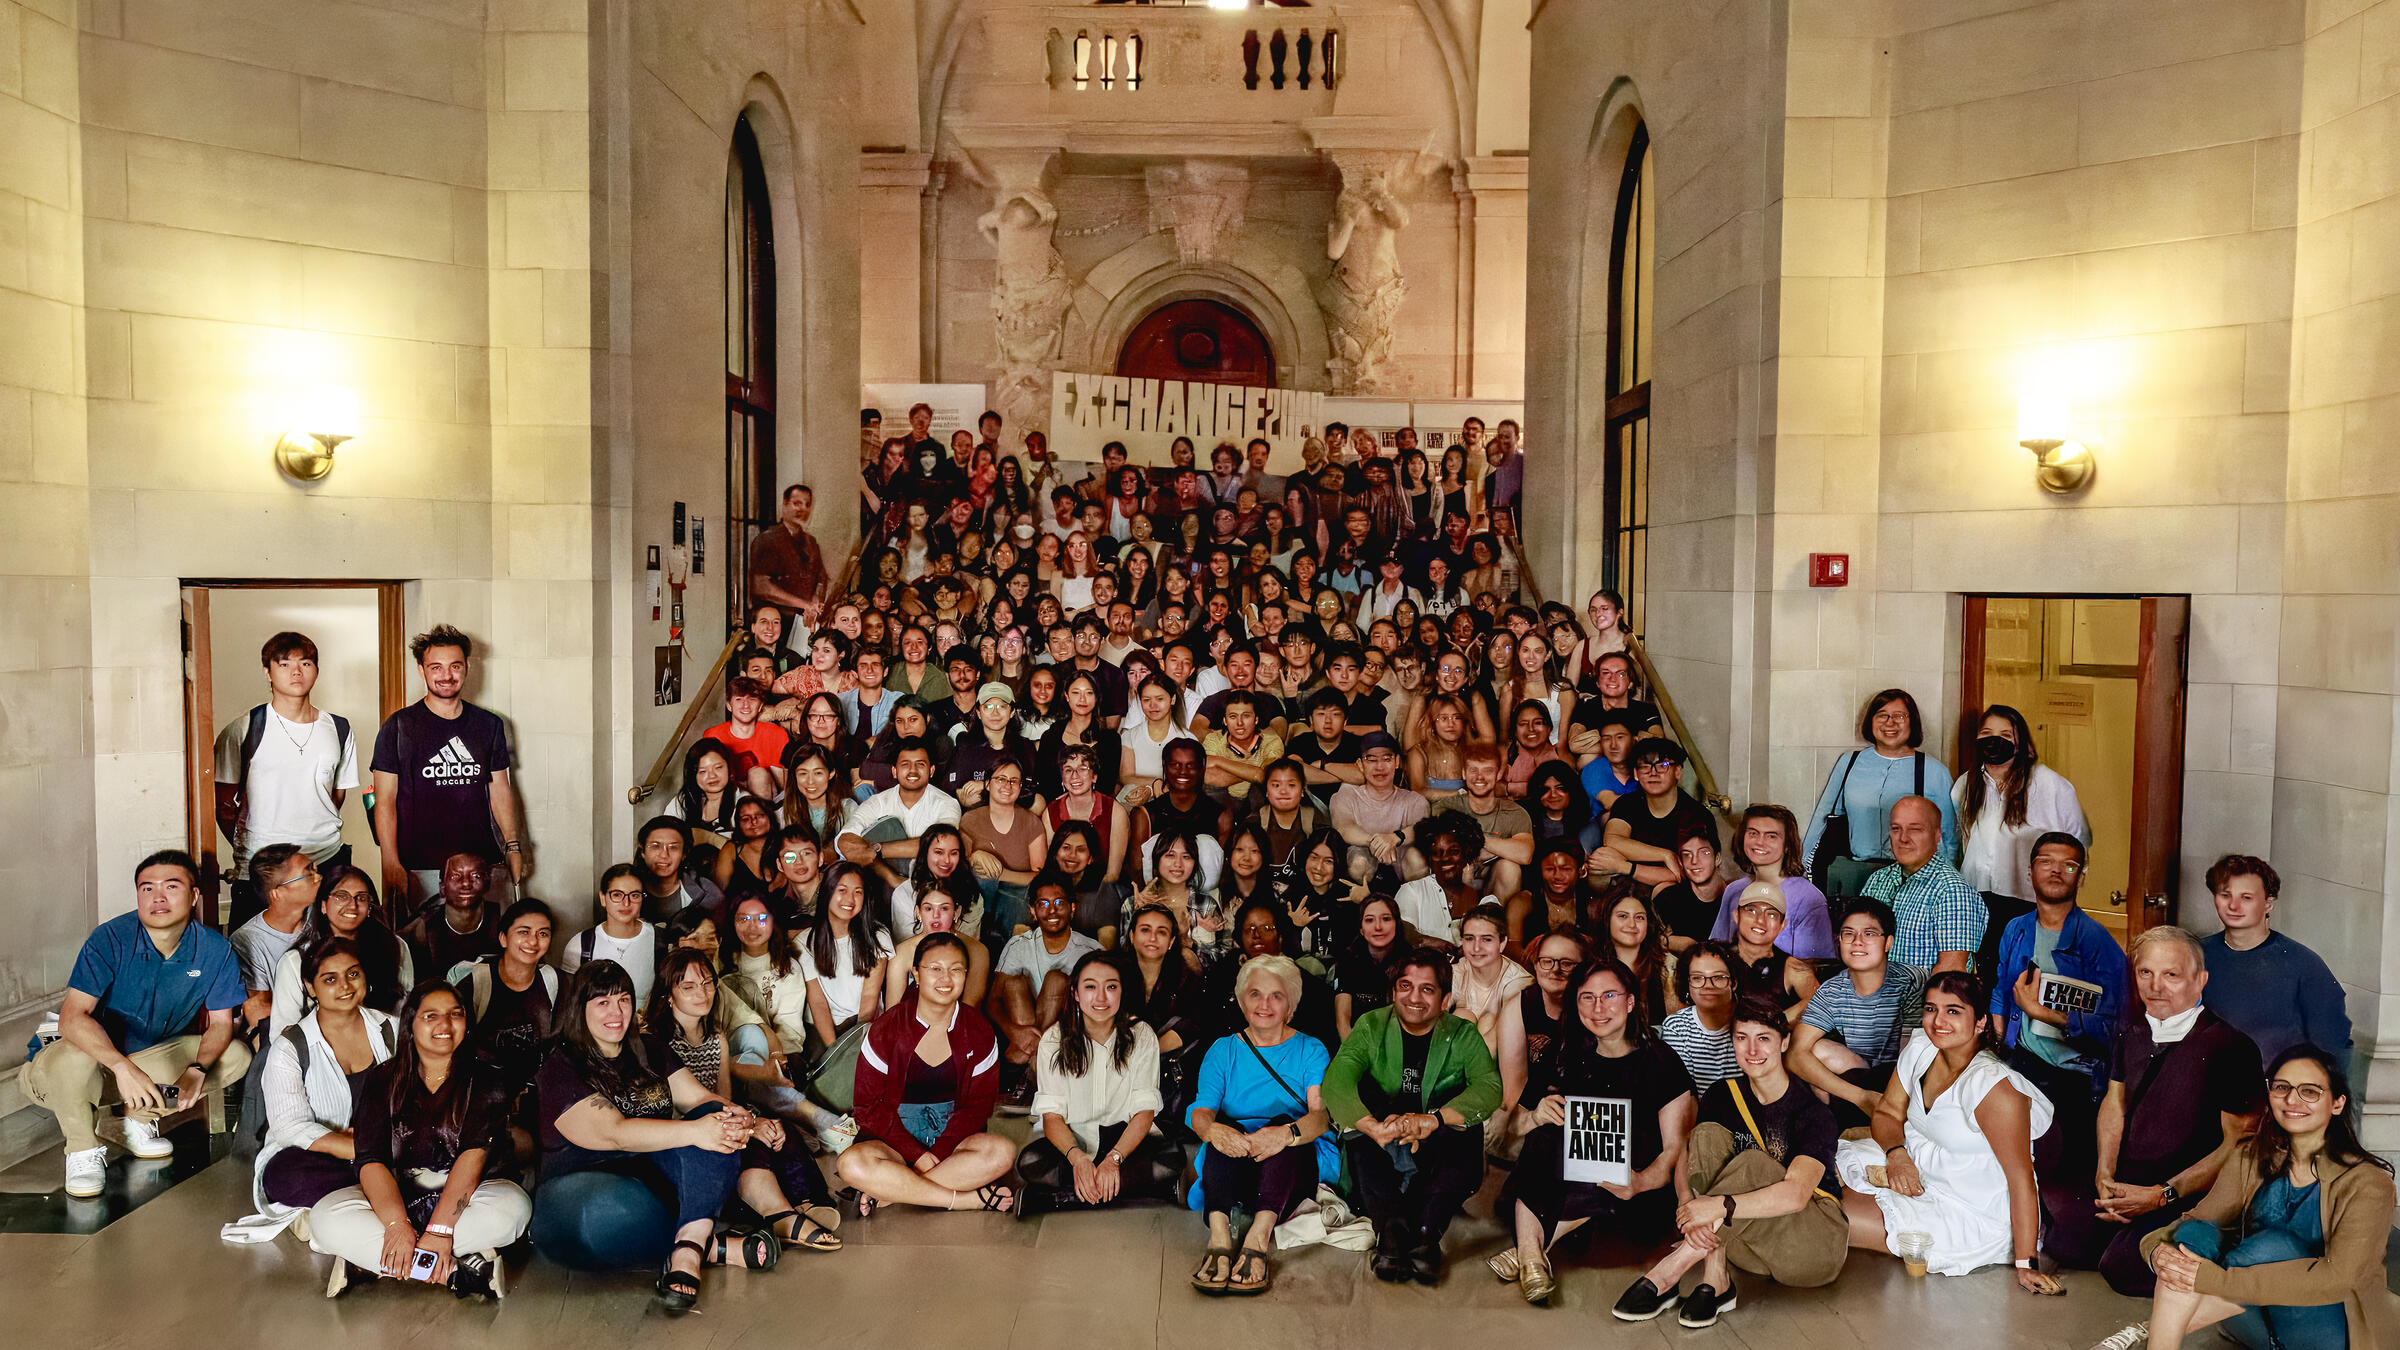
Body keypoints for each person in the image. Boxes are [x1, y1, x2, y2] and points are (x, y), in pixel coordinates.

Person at [2099, 1045, 2397, 1350]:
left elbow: (2339, 1278)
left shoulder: (2369, 1183)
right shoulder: (2251, 1159)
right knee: (2192, 1236)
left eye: (2309, 1091)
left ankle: (2153, 1336)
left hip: (2329, 1332)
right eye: (2282, 1088)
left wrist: (2212, 1280)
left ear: (2337, 1103)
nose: (2292, 1100)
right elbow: (2193, 1222)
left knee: (2272, 1245)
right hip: (2255, 1326)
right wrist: (2156, 1253)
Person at [533, 962, 789, 1310]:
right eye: (602, 1003)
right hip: (581, 1192)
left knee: (717, 1121)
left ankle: (687, 1251)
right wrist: (698, 1130)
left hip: (653, 1177)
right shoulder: (560, 1066)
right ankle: (711, 1244)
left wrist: (742, 1117)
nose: (616, 1013)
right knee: (602, 1219)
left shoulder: (649, 1048)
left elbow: (698, 1098)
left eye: (623, 1000)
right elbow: (616, 1134)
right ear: (579, 1010)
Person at [2045, 926, 2263, 1297]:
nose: (2156, 986)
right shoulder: (2131, 1031)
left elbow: (2237, 1150)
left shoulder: (2231, 1046)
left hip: (2186, 1193)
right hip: (2131, 1181)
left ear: (2200, 980)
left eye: (2171, 975)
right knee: (2064, 1243)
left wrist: (2160, 1195)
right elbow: (2114, 1104)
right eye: (2146, 972)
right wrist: (2105, 1174)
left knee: (2122, 1268)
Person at [1610, 996, 1848, 1327]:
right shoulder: (1723, 1094)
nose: (1751, 1050)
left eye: (1763, 1038)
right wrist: (1688, 1206)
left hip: (1810, 1249)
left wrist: (1716, 1205)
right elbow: (1690, 1156)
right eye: (1741, 1038)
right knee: (1705, 1134)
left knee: (1753, 1163)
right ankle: (1715, 1279)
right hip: (1747, 1247)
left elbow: (1795, 1195)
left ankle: (1670, 1270)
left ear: (1785, 1042)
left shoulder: (1812, 1112)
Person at [26, 850, 251, 1197]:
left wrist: (197, 1068)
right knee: (75, 1055)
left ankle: (135, 1121)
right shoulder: (110, 938)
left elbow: (221, 1024)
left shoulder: (213, 949)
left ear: (193, 896)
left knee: (235, 1055)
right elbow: (72, 1019)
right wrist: (120, 1067)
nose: (158, 897)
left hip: (141, 1069)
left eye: (171, 886)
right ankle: (83, 1150)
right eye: (147, 888)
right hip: (70, 1071)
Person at [1835, 971, 2057, 1291]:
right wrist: (1897, 1156)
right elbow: (1886, 1112)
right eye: (1930, 1008)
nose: (1938, 1020)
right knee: (1822, 1172)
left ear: (1980, 1022)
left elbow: (2022, 1180)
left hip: (1970, 1210)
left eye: (1953, 1011)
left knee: (1839, 1215)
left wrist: (2026, 1264)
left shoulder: (1994, 1089)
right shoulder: (1922, 1045)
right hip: (1920, 1166)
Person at [1496, 956, 1697, 1304]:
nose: (1597, 1007)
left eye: (1609, 996)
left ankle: (1529, 1248)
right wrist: (1538, 1113)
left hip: (1633, 1191)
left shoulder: (1661, 1059)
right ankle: (1531, 1258)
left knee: (1627, 1149)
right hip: (1574, 1181)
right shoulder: (1571, 1054)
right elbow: (1523, 1124)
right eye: (1587, 997)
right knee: (1545, 1135)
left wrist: (1640, 1182)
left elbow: (1675, 1149)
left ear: (1631, 1002)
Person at [311, 981, 529, 1300]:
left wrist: (440, 1230)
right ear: (411, 1025)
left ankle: (370, 1264)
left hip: (470, 1200)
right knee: (324, 1218)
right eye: (430, 1016)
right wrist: (398, 1224)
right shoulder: (383, 1079)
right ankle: (460, 1272)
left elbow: (473, 1155)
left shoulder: (488, 1077)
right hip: (398, 1202)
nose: (445, 1025)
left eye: (455, 1014)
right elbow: (370, 1159)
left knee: (514, 1208)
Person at [1323, 947, 1503, 1284]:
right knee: (1358, 1119)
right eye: (1405, 986)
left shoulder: (1463, 1035)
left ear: (1446, 999)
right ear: (1393, 992)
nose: (1414, 997)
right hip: (1384, 1139)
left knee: (1466, 1125)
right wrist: (1372, 1127)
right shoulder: (1371, 1025)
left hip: (1437, 1142)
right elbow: (1337, 1081)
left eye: (1427, 989)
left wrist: (1432, 1120)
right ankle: (1390, 1233)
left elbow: (1490, 1088)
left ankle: (1425, 1237)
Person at [645, 947, 841, 1253]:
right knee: (748, 1139)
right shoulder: (657, 1043)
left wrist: (754, 1122)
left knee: (781, 1131)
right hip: (686, 1130)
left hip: (723, 1113)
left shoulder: (717, 1038)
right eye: (689, 987)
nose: (702, 993)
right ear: (668, 994)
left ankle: (807, 1202)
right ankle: (783, 1213)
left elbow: (725, 1097)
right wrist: (747, 1128)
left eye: (708, 983)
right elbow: (673, 1110)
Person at [1988, 832, 2128, 1215]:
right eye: (2046, 861)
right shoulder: (2017, 928)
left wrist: (2043, 1014)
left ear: (2081, 876)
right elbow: (2002, 992)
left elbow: (2116, 1028)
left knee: (2060, 1187)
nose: (2056, 871)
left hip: (2074, 1079)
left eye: (2068, 865)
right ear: (2030, 869)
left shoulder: (2099, 944)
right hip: (2021, 1065)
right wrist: (2001, 1051)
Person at [1186, 954, 1338, 1296]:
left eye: (1276, 996)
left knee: (1284, 1123)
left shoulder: (1311, 1049)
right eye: (1255, 994)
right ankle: (1220, 1236)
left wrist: (1285, 1134)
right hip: (1236, 1164)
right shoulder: (1222, 1050)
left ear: (1291, 1005)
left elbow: (1319, 1117)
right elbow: (1200, 1111)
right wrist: (1213, 1130)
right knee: (1223, 1126)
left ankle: (1257, 1238)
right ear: (1241, 1001)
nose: (1264, 1004)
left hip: (1292, 1166)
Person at [836, 933, 1018, 1215]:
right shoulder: (887, 1029)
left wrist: (939, 1151)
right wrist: (916, 1155)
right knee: (851, 1163)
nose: (946, 978)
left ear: (966, 975)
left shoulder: (979, 1030)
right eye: (935, 969)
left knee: (1002, 1152)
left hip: (954, 1141)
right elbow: (867, 1108)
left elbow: (979, 1107)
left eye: (956, 969)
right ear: (916, 974)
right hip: (894, 1142)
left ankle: (892, 1195)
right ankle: (965, 1200)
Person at [234, 940, 401, 1242]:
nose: (345, 986)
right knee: (286, 1175)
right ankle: (388, 1194)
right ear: (311, 988)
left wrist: (377, 1143)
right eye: (330, 979)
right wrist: (356, 1148)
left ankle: (347, 1208)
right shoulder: (289, 1047)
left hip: (384, 1147)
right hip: (328, 1155)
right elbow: (289, 1127)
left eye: (353, 974)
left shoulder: (392, 1029)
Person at [371, 625, 527, 905]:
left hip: (481, 864)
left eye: (454, 666)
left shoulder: (489, 725)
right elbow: (384, 801)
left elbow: (500, 790)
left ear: (467, 667)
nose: (446, 675)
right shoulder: (398, 726)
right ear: (421, 670)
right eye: (436, 667)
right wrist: (390, 862)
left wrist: (513, 847)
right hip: (419, 866)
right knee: (420, 943)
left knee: (486, 944)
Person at [1016, 951, 1181, 1215]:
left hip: (1125, 1141)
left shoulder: (1141, 1035)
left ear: (1121, 992)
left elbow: (1144, 1113)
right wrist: (1078, 1159)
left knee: (1172, 1157)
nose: (1101, 997)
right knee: (1030, 1161)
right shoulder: (1054, 1040)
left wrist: (1113, 1159)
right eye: (1090, 987)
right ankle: (1140, 1191)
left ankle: (1061, 1198)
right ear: (1076, 993)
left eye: (1111, 987)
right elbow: (1053, 1118)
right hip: (1074, 1139)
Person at [213, 630, 358, 927]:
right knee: (255, 953)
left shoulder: (339, 728)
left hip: (326, 859)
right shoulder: (243, 728)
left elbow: (337, 795)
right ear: (267, 671)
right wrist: (258, 847)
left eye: (305, 663)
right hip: (263, 867)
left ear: (316, 670)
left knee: (326, 954)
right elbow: (223, 805)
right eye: (284, 664)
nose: (296, 672)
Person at [1801, 688, 1957, 898]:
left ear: (1913, 722)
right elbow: (1823, 819)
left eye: (1899, 716)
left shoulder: (1934, 771)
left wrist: (1946, 883)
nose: (1890, 722)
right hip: (1853, 873)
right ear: (1870, 721)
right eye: (1882, 715)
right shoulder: (1849, 763)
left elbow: (1947, 837)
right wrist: (1802, 871)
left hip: (1912, 879)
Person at [2197, 853, 2352, 1065]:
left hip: (2277, 1089)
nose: (2233, 906)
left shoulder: (2304, 964)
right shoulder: (2194, 955)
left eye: (2246, 898)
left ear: (2268, 904)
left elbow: (2333, 1049)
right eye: (2225, 895)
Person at [1789, 897, 1923, 1129]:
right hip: (1859, 1078)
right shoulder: (1832, 990)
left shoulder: (1911, 981)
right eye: (1848, 934)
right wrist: (1860, 1097)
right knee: (1813, 1050)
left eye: (1869, 934)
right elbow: (1794, 1054)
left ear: (1888, 942)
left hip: (1904, 1078)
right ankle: (1830, 1127)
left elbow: (1910, 1059)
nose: (1857, 942)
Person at [1953, 703, 2088, 905]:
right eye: (1987, 733)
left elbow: (2077, 846)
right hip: (1975, 900)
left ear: (2020, 743)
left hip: (2029, 902)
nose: (1994, 740)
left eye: (2006, 735)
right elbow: (1960, 841)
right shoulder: (1965, 785)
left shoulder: (2050, 785)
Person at [268, 864, 415, 1037]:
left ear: (369, 907)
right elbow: (281, 1032)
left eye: (361, 898)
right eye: (341, 896)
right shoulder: (296, 960)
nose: (352, 905)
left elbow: (407, 1015)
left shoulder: (395, 947)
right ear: (323, 905)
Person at [992, 880, 1104, 1104]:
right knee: (1013, 985)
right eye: (1043, 903)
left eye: (1059, 902)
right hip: (1022, 1029)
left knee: (1056, 979)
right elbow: (993, 1000)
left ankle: (1026, 1064)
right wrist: (1014, 1032)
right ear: (1033, 911)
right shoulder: (1018, 945)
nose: (1052, 910)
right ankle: (1034, 1068)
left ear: (1072, 908)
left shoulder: (1092, 951)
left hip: (1068, 1038)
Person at [1859, 795, 1987, 974]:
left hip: (1922, 1000)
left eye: (1915, 829)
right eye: (1896, 829)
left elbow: (1950, 973)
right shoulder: (1877, 880)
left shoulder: (1952, 891)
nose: (1903, 838)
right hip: (1872, 996)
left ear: (1937, 835)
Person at [838, 738, 963, 894]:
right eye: (905, 764)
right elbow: (845, 840)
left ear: (931, 771)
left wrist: (878, 849)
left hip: (933, 885)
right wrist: (892, 878)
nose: (912, 770)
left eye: (920, 764)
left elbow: (940, 846)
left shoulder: (947, 804)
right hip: (884, 882)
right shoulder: (878, 802)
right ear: (894, 771)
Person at [1710, 803, 1835, 959]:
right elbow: (1716, 951)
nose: (1760, 842)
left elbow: (1814, 967)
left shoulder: (1808, 898)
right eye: (1753, 833)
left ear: (1787, 845)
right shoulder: (1733, 890)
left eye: (1771, 836)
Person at [1591, 738, 1717, 890]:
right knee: (1603, 857)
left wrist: (1625, 867)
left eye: (1663, 765)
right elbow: (1612, 840)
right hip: (1634, 887)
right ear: (1636, 774)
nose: (1653, 773)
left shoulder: (1696, 815)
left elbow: (1686, 874)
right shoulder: (1627, 803)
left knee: (1665, 888)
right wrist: (1665, 855)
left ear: (1677, 772)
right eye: (1645, 766)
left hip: (1676, 893)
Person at [233, 843, 327, 1030]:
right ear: (277, 893)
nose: (319, 877)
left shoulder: (324, 918)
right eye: (308, 873)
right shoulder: (247, 940)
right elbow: (259, 1009)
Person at [801, 861, 893, 1050]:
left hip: (864, 1023)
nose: (850, 899)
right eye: (842, 890)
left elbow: (869, 998)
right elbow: (818, 1003)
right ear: (827, 892)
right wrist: (835, 1050)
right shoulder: (804, 942)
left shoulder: (877, 936)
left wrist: (857, 1045)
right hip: (823, 1028)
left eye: (857, 892)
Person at [1428, 740, 1533, 903]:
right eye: (1473, 770)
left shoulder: (1514, 812)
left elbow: (1524, 853)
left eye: (1488, 771)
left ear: (1499, 774)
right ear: (1463, 773)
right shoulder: (1445, 807)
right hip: (1452, 881)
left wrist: (1476, 838)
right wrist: (1498, 846)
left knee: (1510, 868)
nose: (1479, 777)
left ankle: (1496, 924)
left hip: (1491, 883)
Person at [1330, 731, 1429, 884]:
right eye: (1371, 760)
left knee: (1416, 859)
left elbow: (1422, 828)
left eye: (1387, 759)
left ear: (1397, 762)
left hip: (1401, 869)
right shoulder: (1346, 796)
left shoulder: (1414, 800)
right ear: (1360, 764)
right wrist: (1379, 843)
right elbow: (1344, 827)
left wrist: (1394, 838)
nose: (1379, 767)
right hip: (1362, 873)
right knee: (1359, 861)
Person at [559, 863, 660, 1007]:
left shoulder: (659, 939)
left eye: (635, 895)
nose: (626, 903)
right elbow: (570, 1004)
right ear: (603, 898)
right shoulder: (581, 945)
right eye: (617, 895)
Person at [399, 850, 504, 978]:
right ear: (442, 888)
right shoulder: (423, 928)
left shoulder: (502, 919)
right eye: (456, 876)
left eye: (475, 876)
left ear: (487, 883)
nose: (466, 884)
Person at [1658, 942, 1742, 1098]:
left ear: (1734, 982)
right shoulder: (1676, 1027)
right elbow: (1681, 1092)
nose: (1708, 986)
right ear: (1687, 983)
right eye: (1697, 978)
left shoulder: (1750, 1022)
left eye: (1718, 977)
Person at [1724, 881, 1819, 1019]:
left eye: (1771, 914)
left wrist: (1779, 1023)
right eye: (1751, 910)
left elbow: (1821, 1003)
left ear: (1782, 925)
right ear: (1736, 916)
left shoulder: (1792, 968)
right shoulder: (1716, 958)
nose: (1760, 920)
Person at [1451, 903, 1533, 1053]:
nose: (1476, 948)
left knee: (1489, 1021)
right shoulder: (1458, 971)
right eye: (1469, 938)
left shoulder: (1519, 982)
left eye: (1486, 939)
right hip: (1459, 1058)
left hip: (1500, 1063)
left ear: (1502, 943)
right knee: (1462, 1015)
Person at [748, 482, 830, 619]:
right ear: (784, 504)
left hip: (804, 620)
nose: (802, 509)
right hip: (774, 622)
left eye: (807, 504)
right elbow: (762, 587)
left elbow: (821, 579)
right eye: (796, 503)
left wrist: (815, 602)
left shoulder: (812, 543)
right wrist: (804, 605)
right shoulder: (767, 540)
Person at [632, 816, 726, 923]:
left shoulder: (709, 895)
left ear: (684, 854)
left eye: (673, 847)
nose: (664, 855)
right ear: (642, 852)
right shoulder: (624, 891)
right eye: (655, 846)